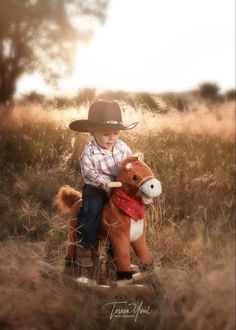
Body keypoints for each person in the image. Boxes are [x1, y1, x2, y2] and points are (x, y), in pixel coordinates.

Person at [69, 100, 138, 266]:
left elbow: (129, 164)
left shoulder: (122, 147)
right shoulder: (89, 153)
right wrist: (106, 183)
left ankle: (115, 254)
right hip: (97, 189)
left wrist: (133, 171)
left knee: (127, 216)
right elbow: (89, 174)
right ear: (92, 131)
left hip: (120, 188)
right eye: (106, 133)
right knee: (91, 211)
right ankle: (85, 247)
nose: (112, 137)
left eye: (116, 133)